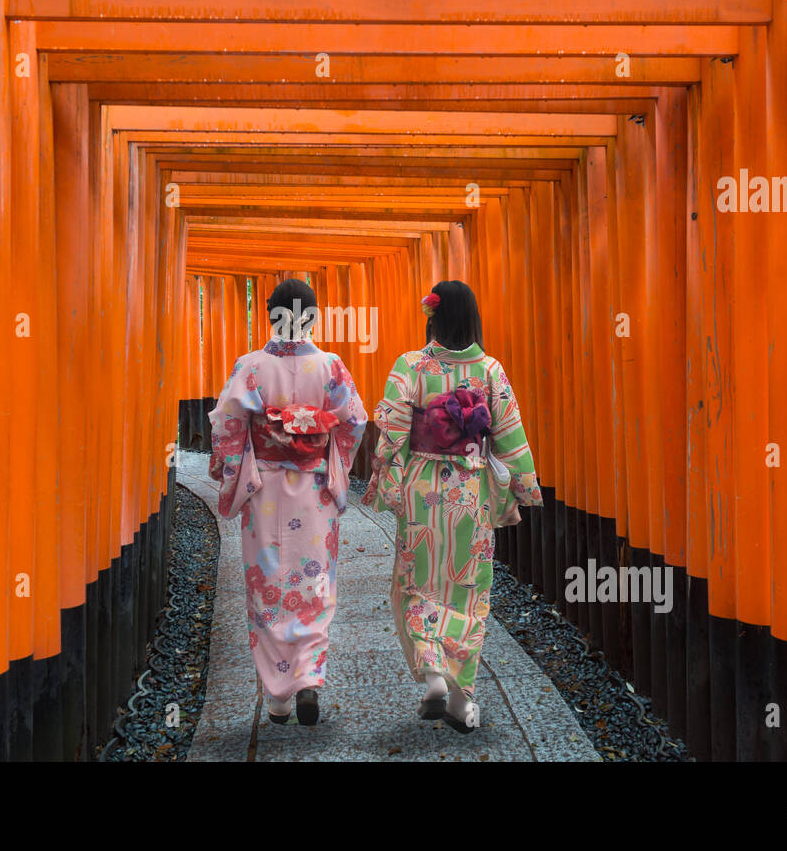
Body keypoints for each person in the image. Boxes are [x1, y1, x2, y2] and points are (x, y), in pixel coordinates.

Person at [363, 280, 543, 733]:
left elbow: (391, 433)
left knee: (416, 583)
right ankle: (463, 700)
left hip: (422, 490)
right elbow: (510, 438)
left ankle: (432, 674)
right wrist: (525, 488)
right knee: (468, 591)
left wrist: (385, 482)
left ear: (433, 317)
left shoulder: (410, 365)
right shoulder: (490, 370)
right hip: (471, 494)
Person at [207, 279, 368, 725]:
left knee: (268, 586)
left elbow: (227, 424)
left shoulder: (251, 367)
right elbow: (353, 421)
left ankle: (277, 695)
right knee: (314, 584)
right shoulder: (332, 366)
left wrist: (231, 467)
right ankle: (309, 678)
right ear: (313, 317)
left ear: (269, 314)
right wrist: (330, 456)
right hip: (314, 490)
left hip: (265, 489)